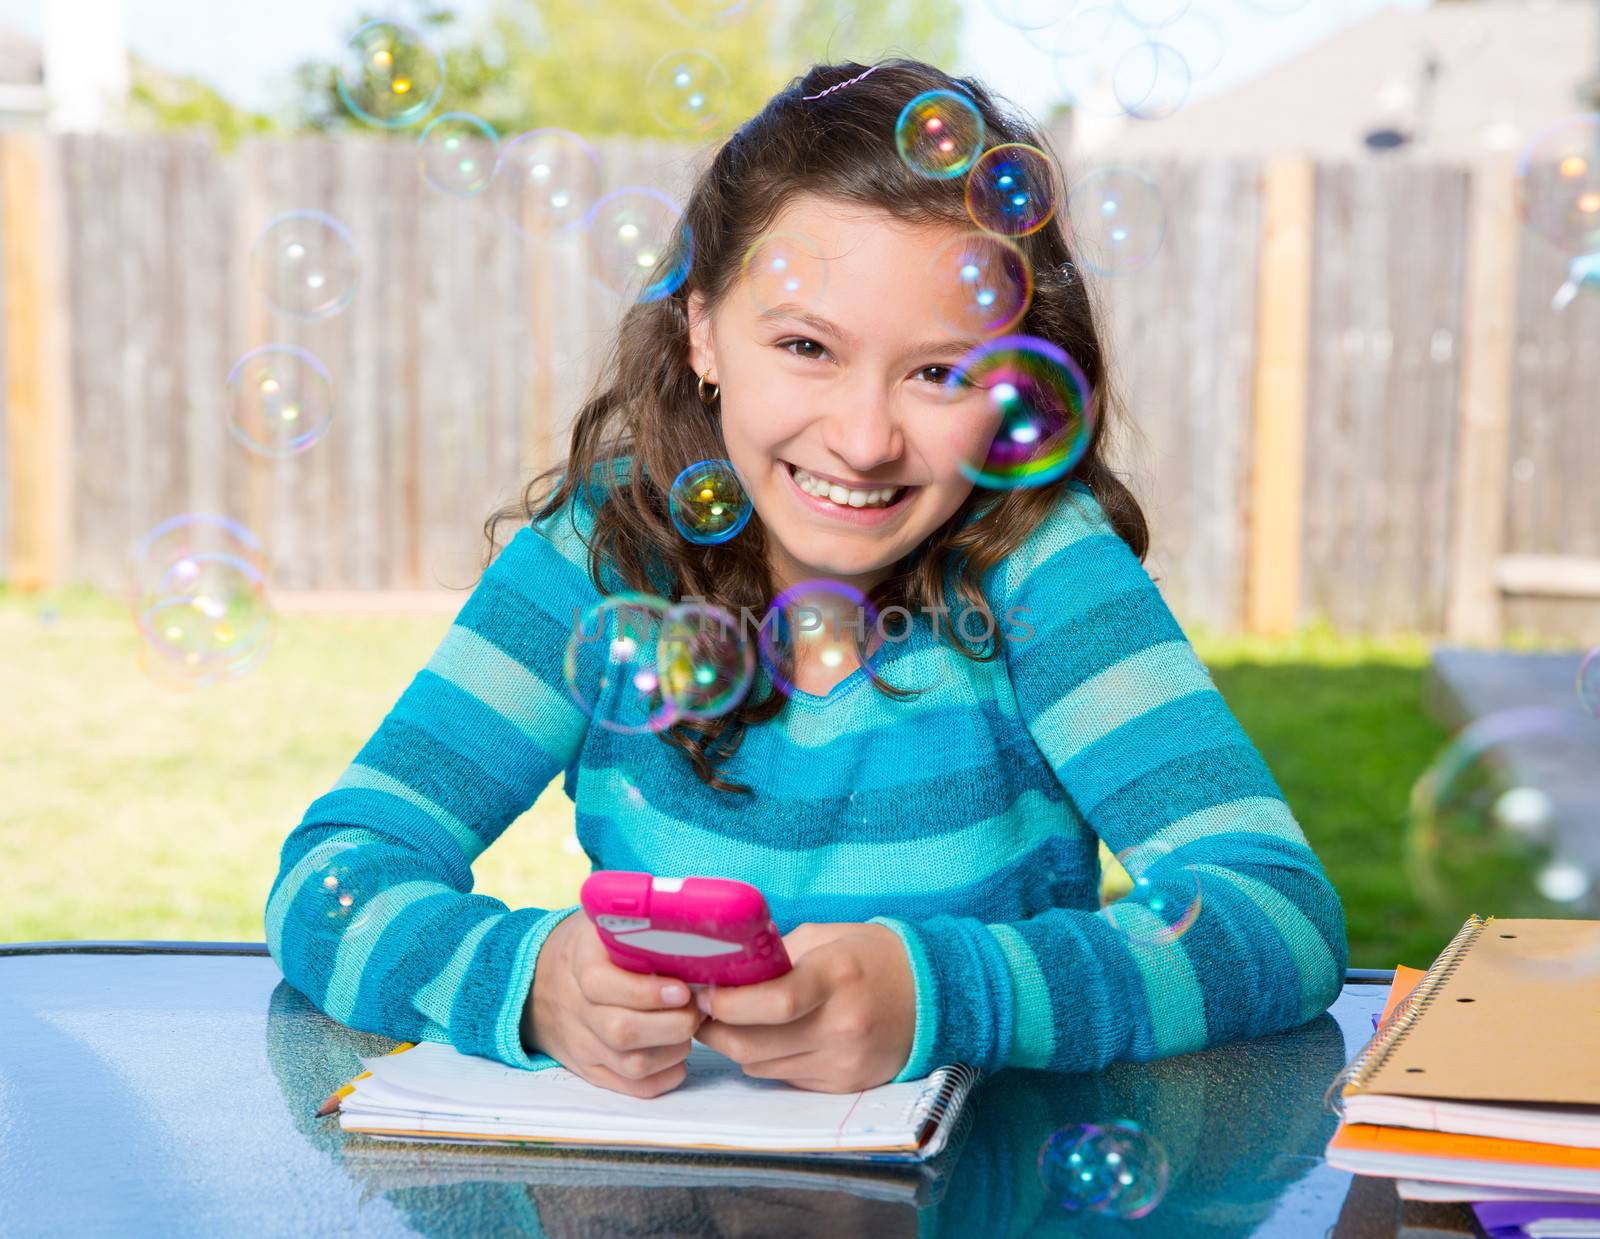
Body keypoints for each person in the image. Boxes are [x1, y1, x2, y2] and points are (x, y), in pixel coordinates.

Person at [264, 57, 1347, 1101]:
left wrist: (945, 997)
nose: (864, 440)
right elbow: (337, 871)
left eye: (936, 372)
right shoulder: (601, 560)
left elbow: (1278, 918)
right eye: (806, 348)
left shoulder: (1042, 569)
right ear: (701, 331)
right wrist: (535, 982)